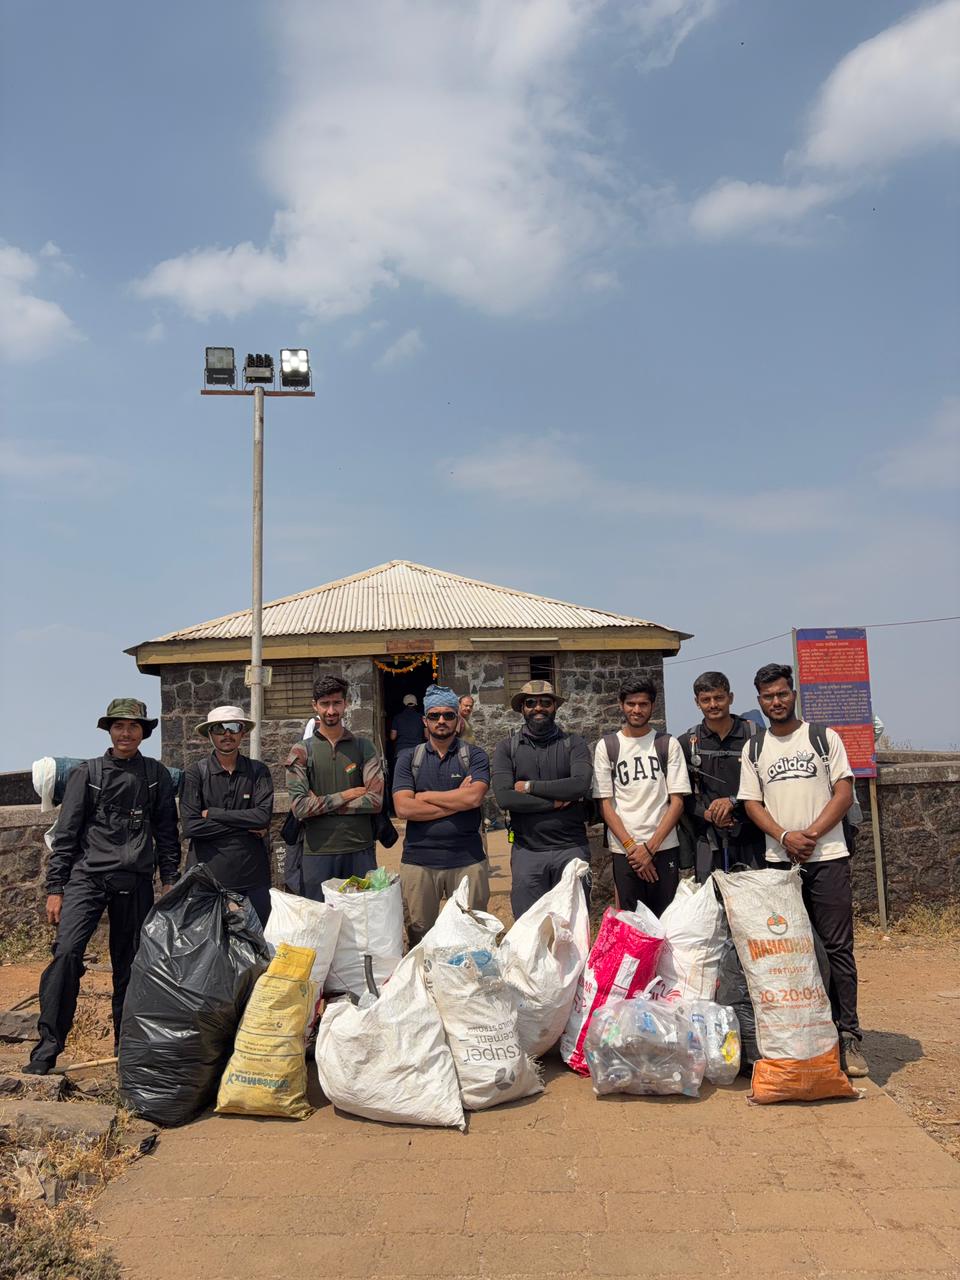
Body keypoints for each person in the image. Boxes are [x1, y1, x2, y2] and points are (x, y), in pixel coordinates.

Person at [25, 698, 180, 1076]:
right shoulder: (87, 774)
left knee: (131, 966)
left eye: (133, 726)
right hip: (87, 878)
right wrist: (56, 888)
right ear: (109, 731)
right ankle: (47, 1049)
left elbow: (166, 833)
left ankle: (126, 1051)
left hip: (135, 880)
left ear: (143, 732)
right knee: (66, 954)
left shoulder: (155, 775)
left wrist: (170, 881)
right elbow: (66, 835)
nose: (126, 733)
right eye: (119, 726)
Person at [738, 662, 868, 1078]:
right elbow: (752, 803)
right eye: (768, 696)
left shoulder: (823, 737)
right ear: (759, 701)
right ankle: (805, 1037)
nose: (776, 702)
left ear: (793, 694)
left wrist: (809, 835)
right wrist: (783, 836)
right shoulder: (755, 748)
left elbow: (843, 793)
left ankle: (848, 1035)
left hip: (827, 857)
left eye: (782, 694)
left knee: (837, 949)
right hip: (781, 864)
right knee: (792, 953)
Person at [392, 685, 490, 945]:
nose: (441, 720)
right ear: (425, 720)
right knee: (420, 935)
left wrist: (424, 797)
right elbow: (403, 809)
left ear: (458, 719)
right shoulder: (408, 758)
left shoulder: (474, 756)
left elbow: (474, 798)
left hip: (467, 859)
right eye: (434, 716)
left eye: (448, 715)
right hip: (419, 861)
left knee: (472, 935)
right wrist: (457, 799)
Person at [492, 680, 593, 919]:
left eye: (545, 702)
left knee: (573, 928)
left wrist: (530, 787)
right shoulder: (507, 748)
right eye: (531, 702)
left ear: (555, 707)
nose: (538, 707)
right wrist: (554, 802)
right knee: (529, 929)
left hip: (571, 848)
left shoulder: (574, 743)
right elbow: (505, 798)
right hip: (527, 852)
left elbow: (579, 785)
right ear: (522, 708)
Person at [593, 678, 690, 917]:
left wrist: (650, 848)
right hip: (625, 850)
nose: (637, 710)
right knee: (631, 921)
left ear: (653, 706)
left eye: (643, 704)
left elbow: (677, 802)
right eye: (631, 704)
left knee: (666, 919)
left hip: (663, 846)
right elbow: (605, 804)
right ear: (621, 705)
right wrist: (633, 849)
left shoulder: (667, 744)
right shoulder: (608, 746)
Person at [284, 675, 384, 901]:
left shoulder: (364, 748)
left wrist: (320, 804)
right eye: (325, 704)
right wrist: (347, 794)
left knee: (361, 918)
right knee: (320, 918)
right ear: (315, 706)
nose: (331, 710)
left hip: (360, 849)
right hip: (317, 853)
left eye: (336, 703)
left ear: (345, 704)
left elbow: (375, 801)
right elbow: (300, 807)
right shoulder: (301, 751)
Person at [180, 705, 274, 928]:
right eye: (219, 728)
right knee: (208, 945)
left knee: (256, 943)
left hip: (253, 879)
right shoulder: (195, 773)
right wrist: (245, 825)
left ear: (243, 732)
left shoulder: (258, 771)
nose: (227, 733)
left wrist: (213, 813)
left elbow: (262, 817)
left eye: (233, 727)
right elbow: (191, 826)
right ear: (210, 734)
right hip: (207, 880)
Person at [678, 671, 766, 881]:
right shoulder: (687, 743)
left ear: (731, 698)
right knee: (712, 899)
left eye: (719, 698)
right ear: (697, 702)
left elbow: (769, 786)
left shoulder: (756, 736)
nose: (713, 705)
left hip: (754, 837)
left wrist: (734, 802)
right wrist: (707, 814)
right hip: (709, 841)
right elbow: (681, 796)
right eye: (706, 700)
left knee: (756, 897)